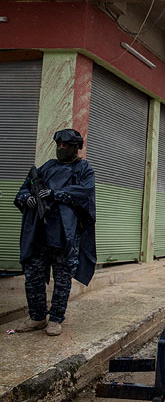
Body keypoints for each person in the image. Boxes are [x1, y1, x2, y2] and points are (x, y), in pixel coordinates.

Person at [13, 129, 96, 336]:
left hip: (65, 234)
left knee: (62, 277)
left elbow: (84, 193)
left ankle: (56, 319)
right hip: (39, 232)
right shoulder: (47, 167)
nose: (61, 148)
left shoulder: (84, 169)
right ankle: (37, 317)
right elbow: (24, 189)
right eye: (58, 145)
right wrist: (28, 199)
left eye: (65, 145)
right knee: (33, 276)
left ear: (76, 147)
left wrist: (55, 193)